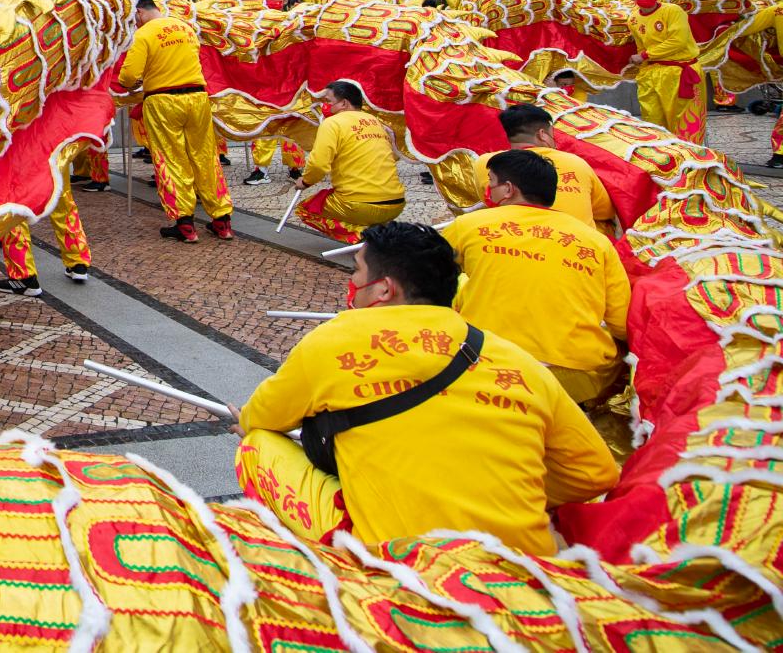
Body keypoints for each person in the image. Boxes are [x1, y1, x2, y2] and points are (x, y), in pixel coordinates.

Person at [234, 221, 619, 553]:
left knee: (257, 445)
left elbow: (262, 417)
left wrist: (248, 421)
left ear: (383, 290)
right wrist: (493, 498)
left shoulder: (335, 339)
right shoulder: (515, 359)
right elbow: (595, 472)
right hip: (520, 561)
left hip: (402, 563)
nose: (351, 283)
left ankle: (336, 567)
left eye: (356, 272)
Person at [445, 150, 630, 405]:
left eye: (492, 182)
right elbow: (621, 321)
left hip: (489, 366)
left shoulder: (468, 226)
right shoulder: (596, 241)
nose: (489, 190)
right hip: (578, 376)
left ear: (508, 189)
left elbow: (424, 276)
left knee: (458, 282)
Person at [113, 0, 230, 242]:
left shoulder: (144, 35)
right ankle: (222, 220)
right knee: (206, 157)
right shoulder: (185, 28)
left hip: (163, 100)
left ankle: (185, 224)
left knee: (170, 159)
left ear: (138, 12)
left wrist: (139, 79)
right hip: (198, 97)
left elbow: (127, 77)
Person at [474, 103, 618, 236]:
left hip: (516, 236)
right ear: (542, 134)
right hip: (573, 243)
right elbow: (606, 211)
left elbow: (489, 201)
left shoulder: (484, 163)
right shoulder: (575, 163)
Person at [294, 81, 405, 243]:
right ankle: (378, 232)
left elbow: (318, 164)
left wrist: (304, 182)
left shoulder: (333, 123)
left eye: (328, 101)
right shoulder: (375, 122)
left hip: (358, 205)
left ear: (344, 103)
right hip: (396, 203)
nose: (326, 105)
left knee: (306, 209)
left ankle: (363, 236)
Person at [626, 0, 706, 141]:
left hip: (679, 70)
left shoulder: (673, 11)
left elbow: (677, 41)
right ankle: (664, 159)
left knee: (684, 121)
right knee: (653, 121)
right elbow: (641, 46)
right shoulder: (633, 19)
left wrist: (644, 56)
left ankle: (692, 160)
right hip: (651, 74)